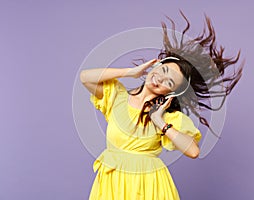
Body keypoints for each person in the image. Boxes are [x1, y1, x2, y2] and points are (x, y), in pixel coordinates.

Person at [80, 11, 244, 200]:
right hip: (112, 184)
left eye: (169, 82)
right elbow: (86, 77)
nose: (160, 78)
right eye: (163, 70)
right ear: (156, 66)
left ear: (172, 92)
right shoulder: (116, 96)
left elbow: (193, 151)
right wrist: (130, 72)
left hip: (149, 187)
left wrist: (160, 122)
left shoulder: (167, 116)